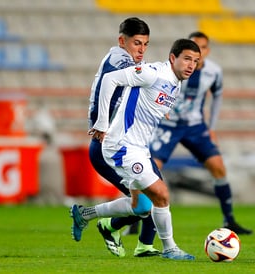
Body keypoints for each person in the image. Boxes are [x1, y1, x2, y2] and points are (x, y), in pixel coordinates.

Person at [70, 38, 201, 260]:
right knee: (161, 194)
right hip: (121, 146)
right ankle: (170, 249)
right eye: (187, 59)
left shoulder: (176, 83)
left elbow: (151, 100)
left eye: (196, 61)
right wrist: (102, 122)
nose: (191, 65)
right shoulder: (153, 72)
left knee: (141, 206)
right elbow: (110, 79)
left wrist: (162, 110)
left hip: (139, 148)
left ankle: (84, 214)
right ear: (172, 58)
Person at [149, 31, 253, 235]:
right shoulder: (173, 68)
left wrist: (211, 127)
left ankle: (229, 219)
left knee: (218, 168)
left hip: (195, 126)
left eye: (203, 47)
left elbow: (217, 98)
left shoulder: (213, 71)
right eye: (194, 47)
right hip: (168, 126)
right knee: (151, 171)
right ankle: (139, 216)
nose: (199, 51)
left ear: (207, 50)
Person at [82, 17, 159, 258]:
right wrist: (101, 124)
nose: (141, 50)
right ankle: (102, 222)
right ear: (121, 41)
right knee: (149, 199)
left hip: (125, 145)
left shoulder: (126, 61)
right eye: (137, 43)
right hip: (107, 147)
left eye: (145, 44)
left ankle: (141, 243)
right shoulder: (119, 59)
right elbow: (108, 86)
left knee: (152, 198)